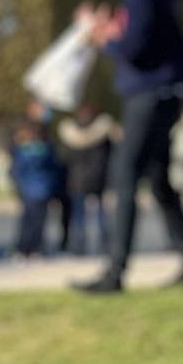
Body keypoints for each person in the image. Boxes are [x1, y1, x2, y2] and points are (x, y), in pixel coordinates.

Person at [73, 0, 183, 292]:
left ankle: (115, 271)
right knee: (159, 179)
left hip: (149, 94)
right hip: (163, 92)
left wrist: (102, 37)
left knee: (125, 174)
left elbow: (134, 48)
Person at [58, 103, 121, 256]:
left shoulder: (69, 133)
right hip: (98, 178)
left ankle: (78, 247)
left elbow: (65, 158)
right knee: (101, 215)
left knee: (78, 216)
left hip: (76, 180)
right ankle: (106, 246)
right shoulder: (103, 130)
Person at [9, 113, 62, 258]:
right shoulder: (47, 150)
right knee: (39, 221)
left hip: (28, 190)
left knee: (27, 221)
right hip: (43, 189)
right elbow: (54, 170)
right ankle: (35, 248)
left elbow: (16, 171)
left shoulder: (23, 151)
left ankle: (22, 248)